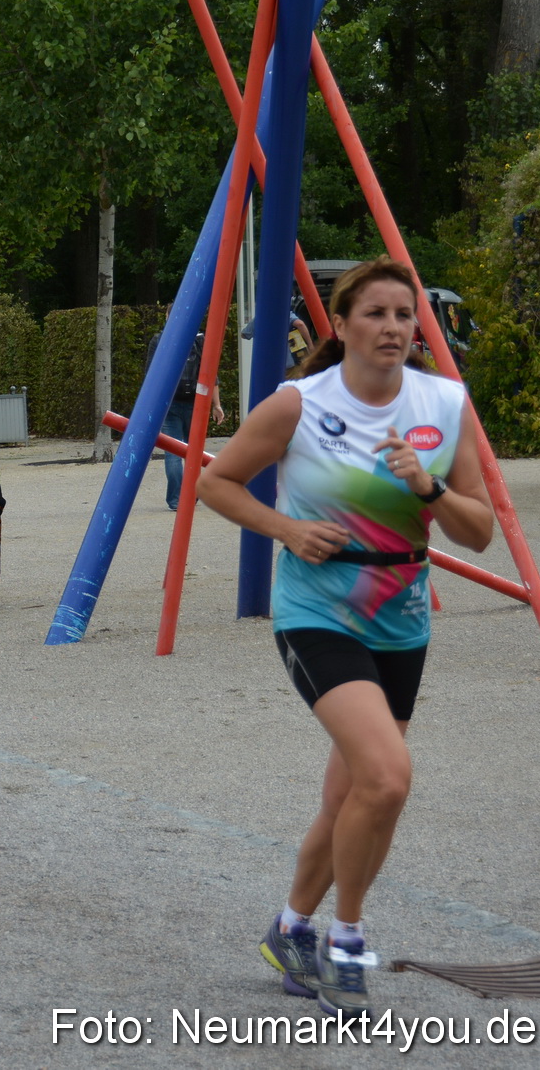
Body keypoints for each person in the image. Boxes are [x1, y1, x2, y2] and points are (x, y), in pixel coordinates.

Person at [197, 257, 494, 1019]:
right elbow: (215, 482)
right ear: (343, 323)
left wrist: (428, 487)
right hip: (318, 611)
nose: (394, 327)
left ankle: (291, 928)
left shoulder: (445, 403)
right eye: (376, 313)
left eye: (405, 315)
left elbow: (480, 531)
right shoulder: (299, 403)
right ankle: (346, 943)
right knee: (387, 777)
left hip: (403, 616)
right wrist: (287, 529)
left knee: (351, 793)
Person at [145, 308, 225, 511]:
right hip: (197, 403)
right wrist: (216, 404)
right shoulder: (200, 340)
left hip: (169, 403)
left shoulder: (159, 340)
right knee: (194, 452)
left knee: (173, 453)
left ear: (168, 317)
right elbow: (211, 375)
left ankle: (175, 499)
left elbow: (151, 375)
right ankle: (192, 495)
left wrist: (150, 407)